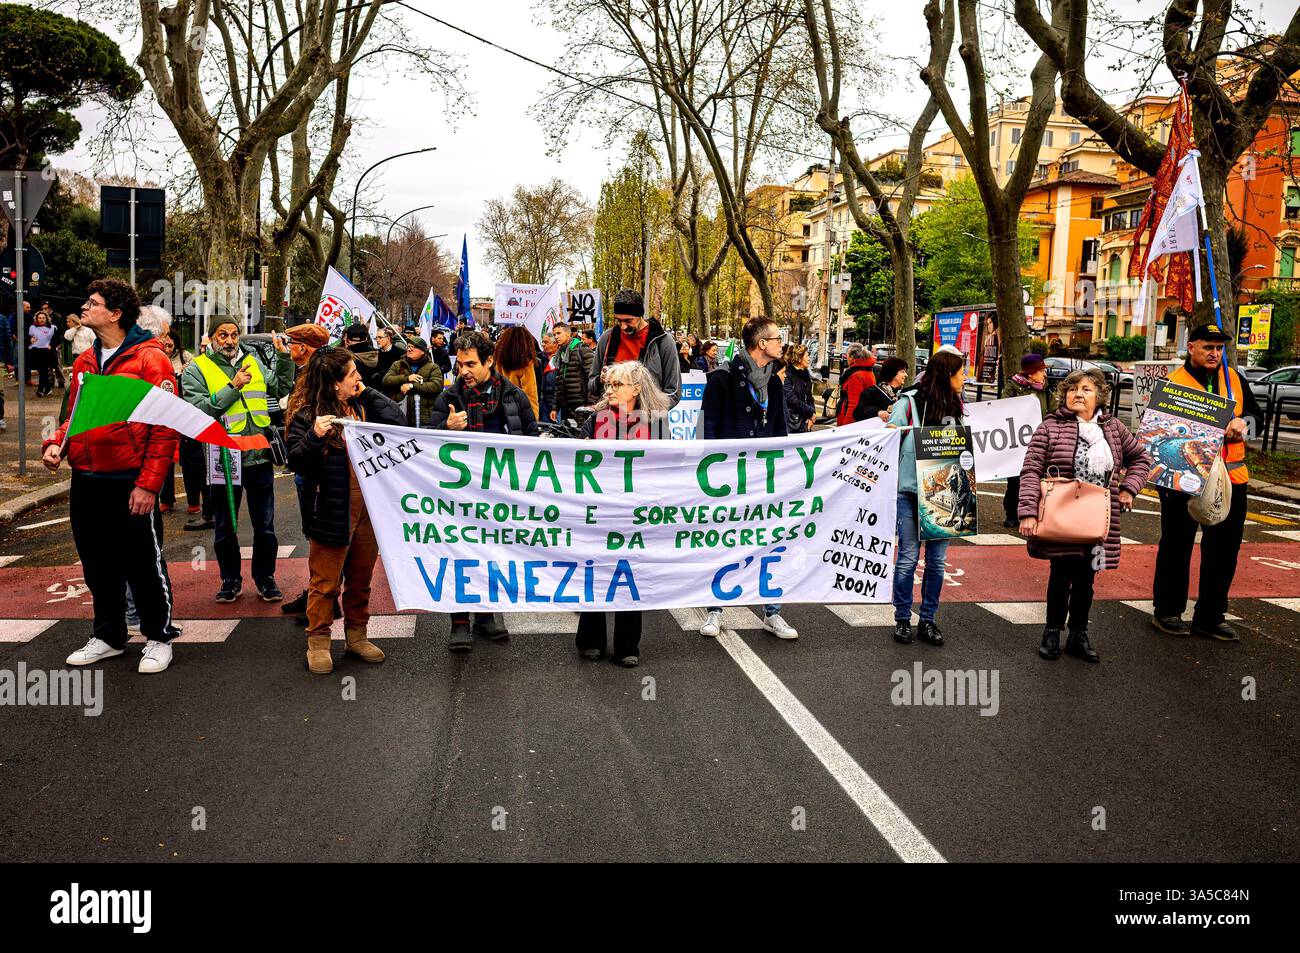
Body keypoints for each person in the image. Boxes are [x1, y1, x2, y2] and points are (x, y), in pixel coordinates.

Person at [43, 279, 181, 674]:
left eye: (94, 302)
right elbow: (75, 416)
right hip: (87, 477)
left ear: (116, 313)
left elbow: (165, 427)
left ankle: (158, 635)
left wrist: (148, 483)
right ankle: (108, 635)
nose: (85, 307)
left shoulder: (149, 360)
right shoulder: (86, 360)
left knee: (141, 561)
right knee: (97, 561)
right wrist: (57, 443)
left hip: (129, 477)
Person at [1017, 368, 1150, 663]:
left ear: (1100, 396)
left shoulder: (1113, 428)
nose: (1078, 393)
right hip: (1061, 518)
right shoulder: (1050, 427)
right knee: (1061, 575)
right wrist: (1027, 512)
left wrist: (1129, 489)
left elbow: (1142, 458)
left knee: (1087, 578)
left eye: (1087, 389)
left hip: (1099, 521)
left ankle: (1078, 634)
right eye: (1073, 388)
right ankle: (1052, 632)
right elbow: (1031, 471)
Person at [286, 347, 406, 674]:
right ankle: (319, 641)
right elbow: (295, 460)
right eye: (352, 374)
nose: (358, 378)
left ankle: (356, 636)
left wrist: (365, 391)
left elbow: (398, 419)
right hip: (331, 508)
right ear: (334, 382)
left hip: (369, 508)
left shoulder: (362, 406)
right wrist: (314, 436)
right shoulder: (307, 415)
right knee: (324, 582)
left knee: (360, 578)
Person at [1151, 323, 1262, 642]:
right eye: (1208, 347)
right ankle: (1168, 611)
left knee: (1224, 550)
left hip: (1231, 478)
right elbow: (1159, 436)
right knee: (1177, 544)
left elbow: (1258, 419)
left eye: (1219, 348)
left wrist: (1245, 424)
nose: (1215, 353)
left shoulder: (1235, 380)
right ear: (1191, 348)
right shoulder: (1174, 383)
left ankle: (1210, 615)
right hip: (1184, 478)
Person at [429, 331, 539, 651]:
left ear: (489, 362)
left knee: (492, 552)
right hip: (459, 495)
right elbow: (426, 443)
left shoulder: (513, 396)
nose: (464, 370)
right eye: (460, 364)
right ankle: (459, 622)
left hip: (498, 494)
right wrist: (445, 429)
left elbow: (530, 438)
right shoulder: (449, 398)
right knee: (458, 552)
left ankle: (487, 615)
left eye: (471, 364)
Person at [181, 313, 295, 603]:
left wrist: (284, 359)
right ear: (211, 338)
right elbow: (201, 411)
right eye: (223, 335)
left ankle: (265, 578)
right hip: (223, 459)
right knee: (225, 525)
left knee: (265, 525)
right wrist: (233, 387)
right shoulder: (198, 369)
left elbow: (280, 388)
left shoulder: (252, 361)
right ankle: (230, 580)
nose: (230, 340)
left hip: (258, 458)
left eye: (234, 334)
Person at [697, 316, 798, 641]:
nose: (781, 344)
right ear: (760, 344)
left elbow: (780, 432)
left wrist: (783, 472)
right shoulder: (721, 380)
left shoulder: (776, 384)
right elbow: (706, 431)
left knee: (769, 542)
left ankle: (772, 613)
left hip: (763, 480)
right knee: (722, 544)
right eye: (776, 338)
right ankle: (714, 610)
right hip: (727, 481)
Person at [575, 361, 672, 666]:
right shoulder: (596, 419)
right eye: (609, 384)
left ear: (637, 388)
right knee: (594, 569)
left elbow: (666, 466)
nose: (611, 389)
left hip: (636, 511)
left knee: (631, 573)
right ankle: (590, 639)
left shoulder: (656, 423)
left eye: (618, 384)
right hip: (599, 508)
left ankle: (628, 644)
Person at [887, 348, 966, 647]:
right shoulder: (909, 402)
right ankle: (903, 618)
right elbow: (888, 440)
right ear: (947, 374)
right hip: (910, 490)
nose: (965, 377)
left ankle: (928, 619)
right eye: (960, 372)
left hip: (944, 493)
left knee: (936, 562)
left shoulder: (956, 405)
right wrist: (892, 429)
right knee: (908, 558)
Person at [279, 322, 333, 617]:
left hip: (314, 467)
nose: (288, 349)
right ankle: (318, 593)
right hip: (305, 463)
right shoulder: (305, 373)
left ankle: (323, 597)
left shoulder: (318, 378)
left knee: (319, 534)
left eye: (291, 344)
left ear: (303, 347)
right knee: (313, 533)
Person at [590, 289, 681, 407]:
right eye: (618, 320)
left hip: (649, 421)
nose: (623, 326)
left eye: (628, 320)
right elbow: (591, 385)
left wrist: (646, 415)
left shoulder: (663, 341)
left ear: (640, 315)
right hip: (610, 420)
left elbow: (673, 392)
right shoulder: (607, 338)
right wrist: (600, 380)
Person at [1000, 353, 1055, 528]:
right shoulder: (1013, 387)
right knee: (1015, 479)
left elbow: (1052, 410)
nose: (1044, 375)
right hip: (1017, 441)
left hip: (1038, 440)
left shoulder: (1045, 389)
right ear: (1030, 373)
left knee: (1037, 478)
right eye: (1040, 371)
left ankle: (1033, 511)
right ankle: (1011, 513)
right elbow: (1003, 409)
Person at [381, 335, 443, 427]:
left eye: (413, 347)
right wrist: (406, 378)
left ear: (422, 351)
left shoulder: (433, 367)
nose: (409, 349)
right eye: (408, 346)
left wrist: (412, 386)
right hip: (401, 415)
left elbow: (437, 386)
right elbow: (386, 380)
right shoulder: (398, 364)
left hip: (424, 419)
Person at [494, 325, 542, 418]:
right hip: (519, 413)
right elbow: (530, 395)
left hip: (499, 412)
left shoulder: (498, 362)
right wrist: (533, 419)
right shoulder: (526, 364)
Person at [551, 322, 594, 422]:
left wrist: (590, 404)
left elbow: (593, 378)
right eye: (554, 334)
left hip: (581, 406)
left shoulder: (582, 350)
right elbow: (559, 382)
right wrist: (555, 407)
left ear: (568, 333)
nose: (556, 337)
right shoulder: (560, 354)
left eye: (558, 333)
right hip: (566, 407)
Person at [854, 356, 908, 424]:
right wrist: (878, 412)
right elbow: (858, 413)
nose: (906, 375)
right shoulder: (872, 392)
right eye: (902, 371)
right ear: (892, 372)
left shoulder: (902, 395)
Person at [835, 343, 877, 426]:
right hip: (862, 419)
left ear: (852, 357)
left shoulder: (855, 376)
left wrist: (845, 428)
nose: (846, 357)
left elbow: (853, 405)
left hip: (850, 421)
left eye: (847, 355)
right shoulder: (867, 371)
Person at [28, 310, 57, 396]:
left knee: (43, 370)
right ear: (36, 319)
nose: (41, 319)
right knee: (42, 371)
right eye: (39, 318)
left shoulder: (52, 327)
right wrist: (30, 340)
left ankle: (40, 390)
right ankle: (48, 389)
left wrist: (51, 345)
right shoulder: (32, 327)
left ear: (46, 319)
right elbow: (29, 338)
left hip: (47, 351)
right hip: (36, 351)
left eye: (43, 318)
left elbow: (57, 338)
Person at [539, 332, 559, 422]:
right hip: (543, 400)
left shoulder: (562, 358)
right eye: (542, 342)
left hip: (557, 401)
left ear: (555, 343)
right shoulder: (539, 358)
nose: (543, 345)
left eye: (546, 342)